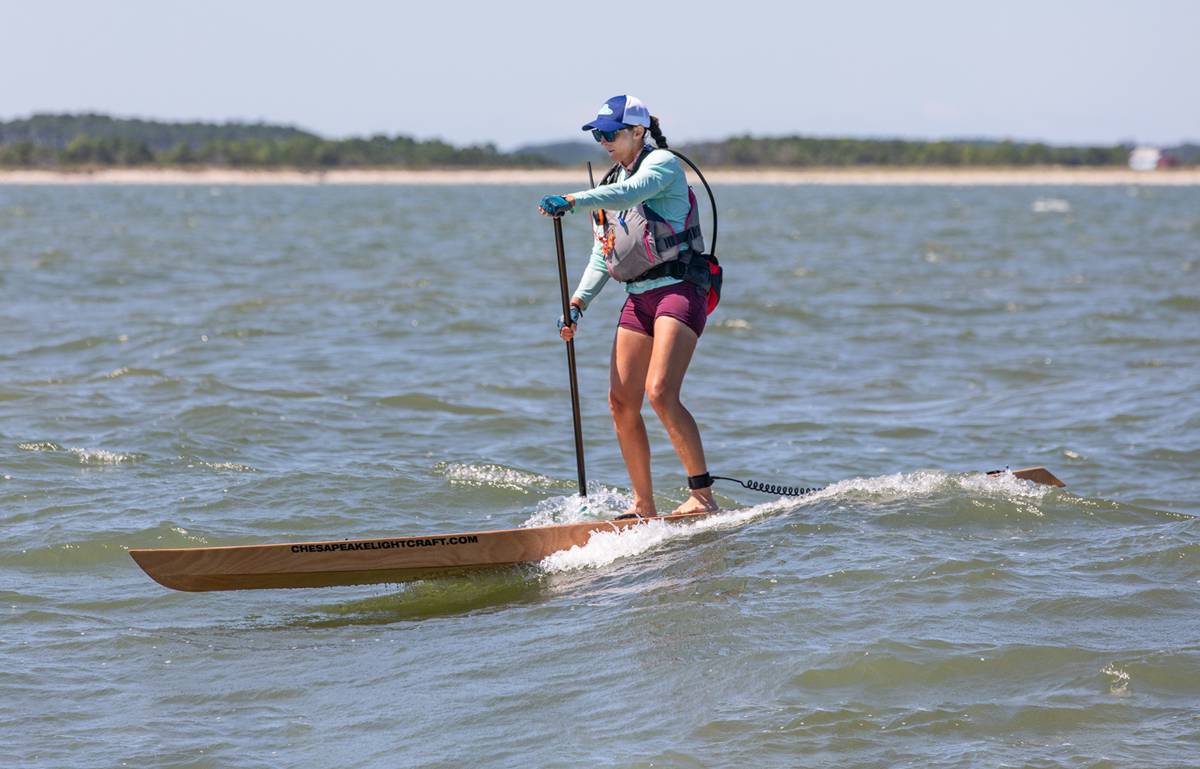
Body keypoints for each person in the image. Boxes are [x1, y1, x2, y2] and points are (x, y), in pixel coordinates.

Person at [537, 94, 717, 518]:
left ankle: (702, 498)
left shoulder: (663, 166)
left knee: (660, 391)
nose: (604, 142)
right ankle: (644, 507)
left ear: (638, 131)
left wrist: (574, 200)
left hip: (679, 290)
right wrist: (578, 303)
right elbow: (605, 253)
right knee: (621, 402)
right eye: (598, 135)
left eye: (610, 133)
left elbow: (631, 193)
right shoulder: (607, 185)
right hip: (638, 299)